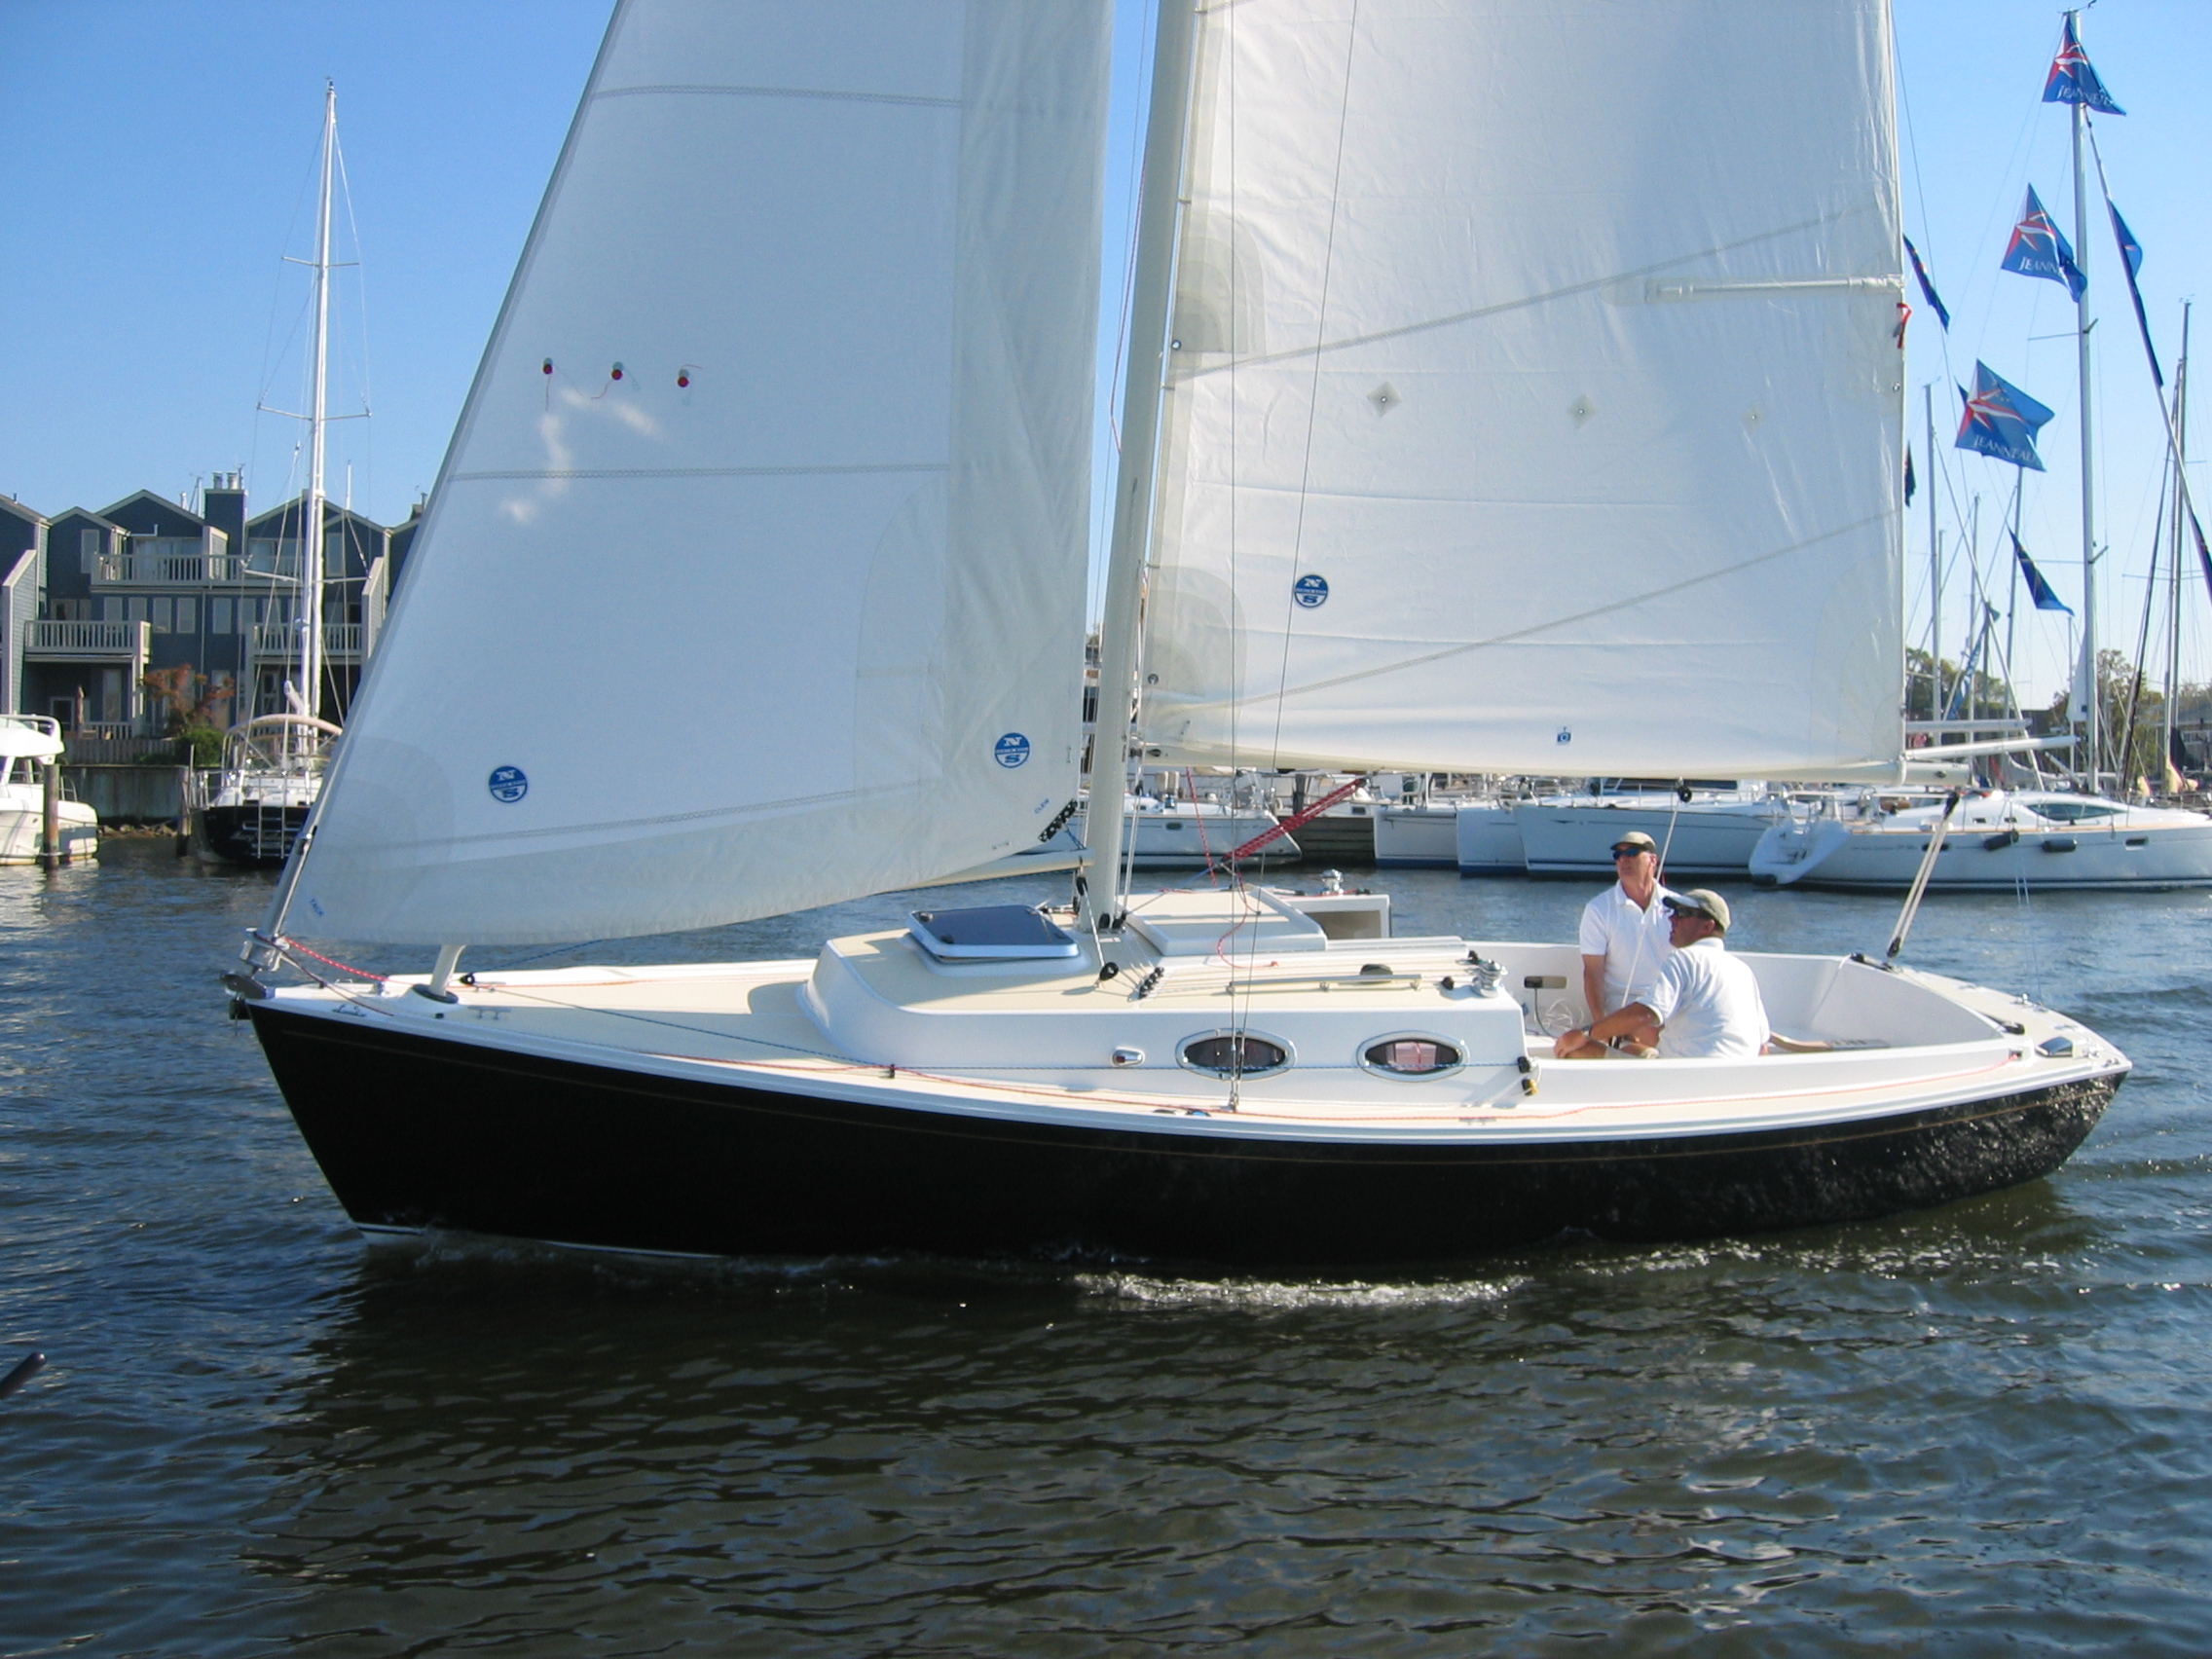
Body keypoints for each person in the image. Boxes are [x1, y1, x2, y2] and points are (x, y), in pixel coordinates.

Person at [1555, 889, 1770, 1059]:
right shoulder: (1743, 970)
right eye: (1673, 913)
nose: (1673, 919)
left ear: (1707, 926)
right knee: (1633, 1050)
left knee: (1573, 1049)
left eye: (1682, 914)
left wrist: (1585, 1033)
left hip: (1683, 1076)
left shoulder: (1685, 958)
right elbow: (1762, 1048)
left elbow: (1645, 1015)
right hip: (1736, 1074)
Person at [1577, 830, 1674, 1025]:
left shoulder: (1678, 907)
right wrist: (1601, 1024)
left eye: (1632, 853)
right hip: (1621, 1007)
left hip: (1668, 1003)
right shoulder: (1598, 909)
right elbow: (1593, 972)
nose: (1623, 859)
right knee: (1645, 1032)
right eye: (1618, 855)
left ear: (1653, 860)